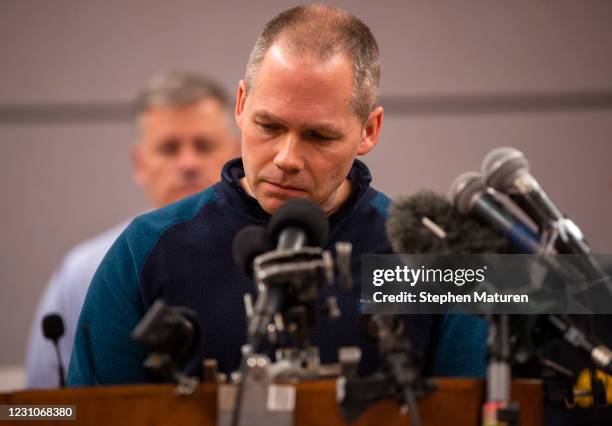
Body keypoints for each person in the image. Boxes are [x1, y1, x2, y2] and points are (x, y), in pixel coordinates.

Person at [68, 5, 486, 385]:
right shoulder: (144, 249)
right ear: (241, 103)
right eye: (268, 126)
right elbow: (77, 411)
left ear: (369, 131)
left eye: (319, 135)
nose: (287, 158)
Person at [25, 70, 239, 388]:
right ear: (139, 164)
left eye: (204, 146)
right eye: (169, 148)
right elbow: (41, 410)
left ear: (235, 153)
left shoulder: (262, 256)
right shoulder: (84, 269)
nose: (188, 163)